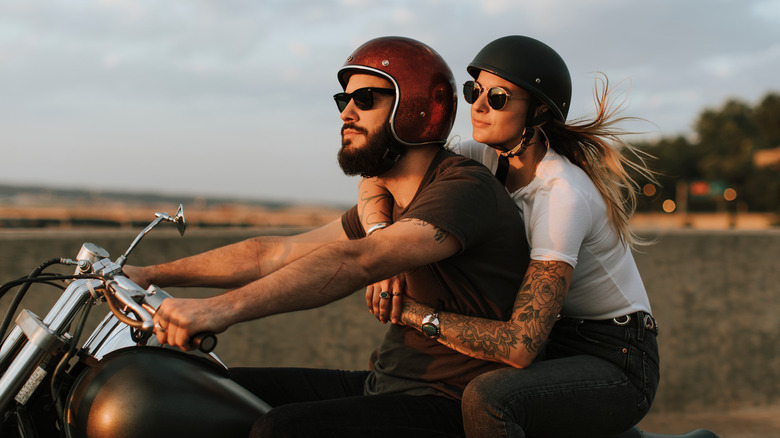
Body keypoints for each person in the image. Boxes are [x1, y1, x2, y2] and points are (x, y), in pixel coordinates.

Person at [125, 36, 530, 437]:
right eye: (344, 101)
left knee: (280, 430)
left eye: (365, 99)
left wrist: (219, 310)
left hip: (445, 404)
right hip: (383, 384)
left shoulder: (463, 189)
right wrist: (148, 274)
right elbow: (274, 252)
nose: (346, 113)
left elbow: (360, 260)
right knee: (199, 386)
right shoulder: (389, 200)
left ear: (414, 107)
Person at [360, 35, 660, 437]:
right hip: (555, 342)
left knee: (489, 398)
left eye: (498, 97)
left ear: (538, 111)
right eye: (474, 91)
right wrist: (382, 246)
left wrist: (412, 313)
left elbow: (519, 345)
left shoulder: (561, 194)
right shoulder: (477, 157)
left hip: (615, 356)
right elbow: (379, 169)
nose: (478, 106)